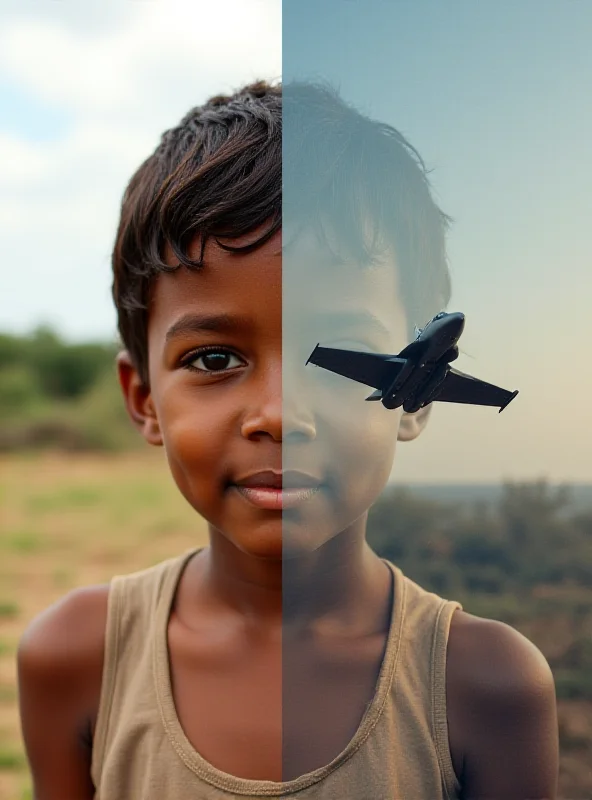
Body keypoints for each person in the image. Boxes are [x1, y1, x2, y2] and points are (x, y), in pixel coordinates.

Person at [17, 80, 558, 799]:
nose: (279, 415)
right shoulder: (73, 658)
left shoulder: (490, 686)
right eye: (214, 359)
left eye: (336, 354)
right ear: (143, 399)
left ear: (416, 395)